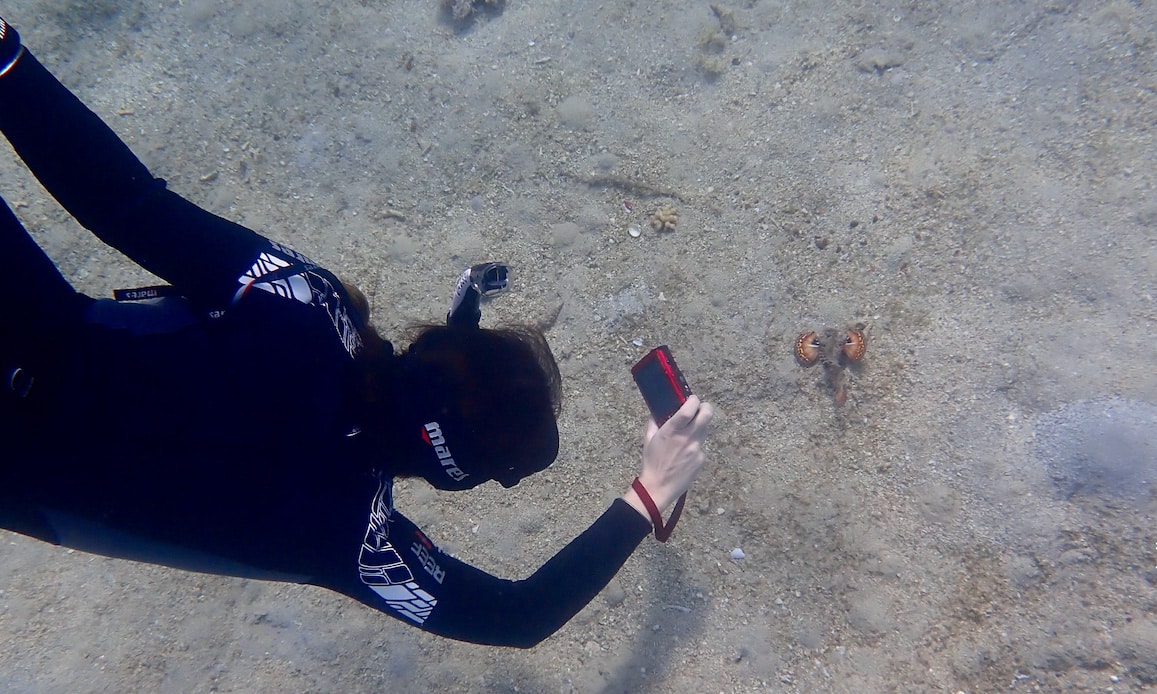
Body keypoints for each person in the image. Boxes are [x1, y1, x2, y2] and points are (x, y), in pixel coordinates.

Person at [0, 18, 713, 648]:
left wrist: (11, 67)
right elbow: (519, 614)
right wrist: (649, 492)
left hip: (28, 316)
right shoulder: (349, 536)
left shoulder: (299, 303)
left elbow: (125, 203)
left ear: (432, 347)